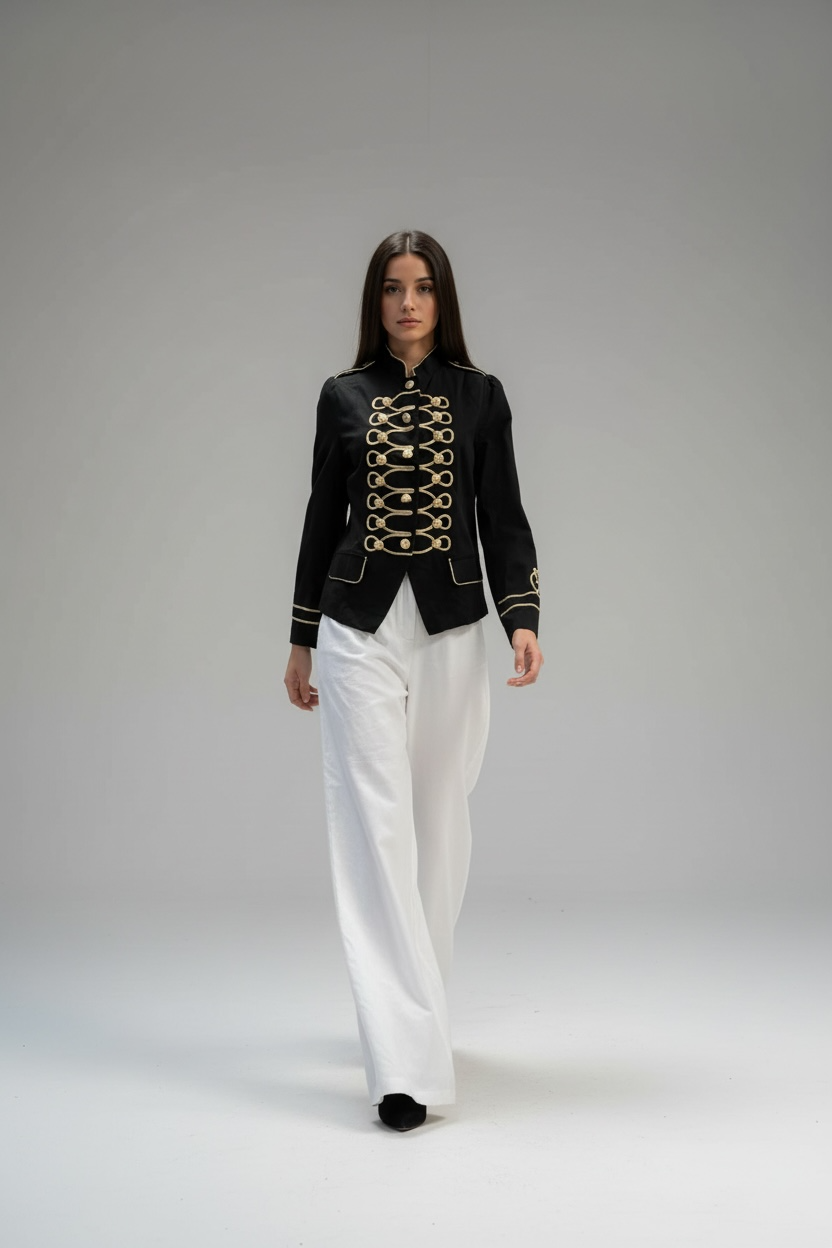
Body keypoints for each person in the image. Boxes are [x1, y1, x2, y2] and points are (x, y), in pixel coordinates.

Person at [284, 230, 543, 1132]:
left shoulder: (481, 396)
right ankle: (401, 1064)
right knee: (375, 828)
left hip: (453, 623)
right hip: (356, 623)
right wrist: (301, 637)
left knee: (440, 823)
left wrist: (521, 616)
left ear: (443, 299)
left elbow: (503, 515)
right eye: (393, 288)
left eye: (423, 287)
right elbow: (321, 517)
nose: (407, 303)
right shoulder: (341, 395)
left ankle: (419, 1008)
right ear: (376, 300)